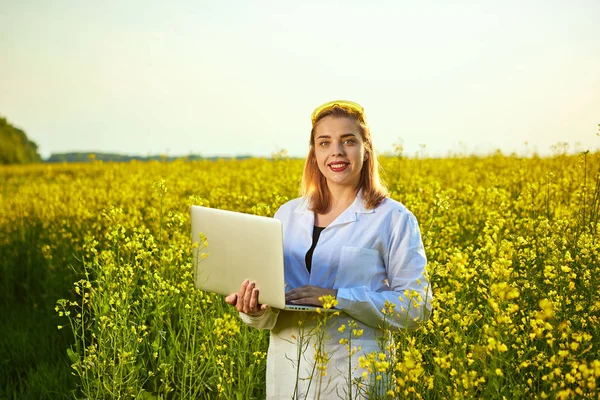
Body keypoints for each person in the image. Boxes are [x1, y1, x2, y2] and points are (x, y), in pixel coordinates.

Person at [225, 100, 432, 399]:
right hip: (290, 375)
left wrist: (338, 298)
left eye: (348, 141)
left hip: (355, 376)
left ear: (366, 148)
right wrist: (254, 311)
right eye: (325, 142)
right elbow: (273, 310)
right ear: (314, 153)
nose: (336, 151)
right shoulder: (286, 215)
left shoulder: (394, 219)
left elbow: (417, 307)